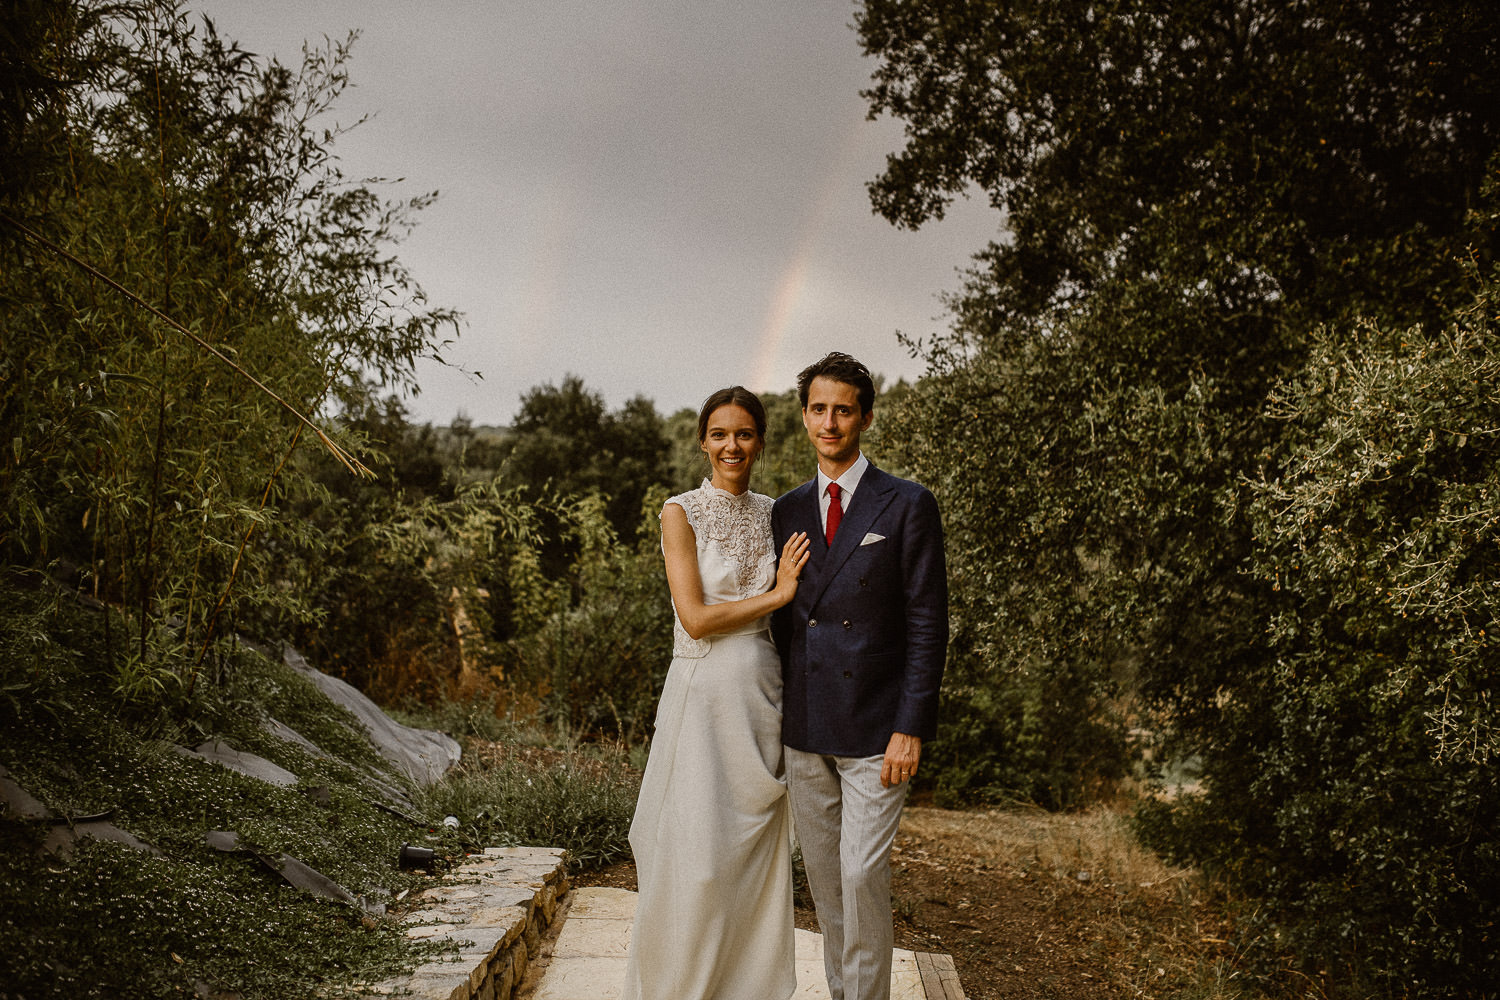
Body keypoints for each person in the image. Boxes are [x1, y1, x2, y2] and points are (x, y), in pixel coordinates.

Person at [621, 386, 812, 1000]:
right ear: (703, 441)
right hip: (703, 698)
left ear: (761, 440)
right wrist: (778, 594)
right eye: (721, 434)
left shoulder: (779, 512)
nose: (733, 446)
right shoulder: (680, 512)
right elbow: (696, 617)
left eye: (746, 434)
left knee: (752, 859)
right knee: (697, 857)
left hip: (763, 695)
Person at [771, 352, 948, 1000]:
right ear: (804, 417)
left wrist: (912, 725)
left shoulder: (906, 503)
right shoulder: (786, 511)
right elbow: (781, 624)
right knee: (824, 885)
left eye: (843, 409)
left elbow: (929, 623)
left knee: (860, 874)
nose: (830, 421)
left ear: (866, 417)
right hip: (807, 726)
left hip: (876, 729)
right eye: (818, 408)